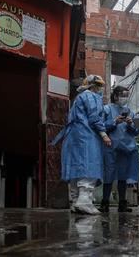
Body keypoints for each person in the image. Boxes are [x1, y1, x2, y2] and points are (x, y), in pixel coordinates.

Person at [57, 75, 112, 215]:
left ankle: (75, 202)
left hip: (73, 137)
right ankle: (84, 201)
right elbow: (94, 117)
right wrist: (104, 134)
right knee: (89, 166)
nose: (100, 89)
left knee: (77, 169)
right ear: (93, 86)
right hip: (86, 136)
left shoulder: (78, 99)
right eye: (99, 86)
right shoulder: (91, 97)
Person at [100, 86, 139, 213]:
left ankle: (122, 203)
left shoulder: (130, 112)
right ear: (115, 96)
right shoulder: (106, 109)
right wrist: (114, 122)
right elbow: (100, 127)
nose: (125, 98)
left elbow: (136, 132)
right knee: (109, 174)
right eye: (122, 95)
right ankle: (105, 203)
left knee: (123, 176)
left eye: (126, 95)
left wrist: (130, 124)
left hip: (126, 147)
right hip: (110, 146)